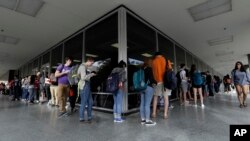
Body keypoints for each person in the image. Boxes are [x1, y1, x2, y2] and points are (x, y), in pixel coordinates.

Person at [78, 57, 96, 122]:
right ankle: (81, 117)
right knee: (84, 102)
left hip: (87, 86)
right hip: (84, 86)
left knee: (90, 102)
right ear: (88, 61)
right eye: (92, 63)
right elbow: (83, 77)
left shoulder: (86, 67)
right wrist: (91, 74)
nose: (92, 64)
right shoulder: (82, 66)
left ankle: (89, 117)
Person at [140, 58, 157, 126]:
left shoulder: (141, 69)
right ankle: (147, 120)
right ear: (150, 63)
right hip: (148, 87)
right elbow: (152, 79)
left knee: (142, 104)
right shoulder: (149, 69)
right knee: (147, 104)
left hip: (142, 88)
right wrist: (156, 82)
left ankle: (143, 119)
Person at [151, 52, 168, 119]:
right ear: (162, 55)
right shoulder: (166, 60)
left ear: (156, 55)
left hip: (157, 82)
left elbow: (152, 72)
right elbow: (169, 69)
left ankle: (154, 113)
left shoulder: (153, 61)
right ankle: (165, 114)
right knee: (166, 98)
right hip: (165, 82)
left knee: (155, 97)